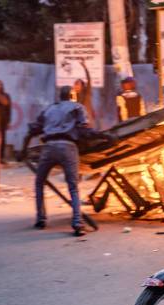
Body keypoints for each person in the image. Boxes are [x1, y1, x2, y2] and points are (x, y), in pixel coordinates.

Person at [35, 86, 93, 236]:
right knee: (73, 186)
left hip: (48, 147)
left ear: (60, 96)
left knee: (39, 182)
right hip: (67, 147)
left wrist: (23, 149)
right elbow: (84, 129)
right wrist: (103, 136)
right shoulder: (77, 107)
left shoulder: (49, 109)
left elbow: (35, 128)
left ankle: (41, 219)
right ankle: (77, 223)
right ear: (72, 95)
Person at [71, 58, 96, 128]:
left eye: (77, 84)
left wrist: (84, 67)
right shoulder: (75, 97)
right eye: (75, 85)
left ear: (82, 86)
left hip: (88, 121)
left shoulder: (87, 92)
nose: (75, 86)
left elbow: (89, 79)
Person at [0, 80, 12, 163]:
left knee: (2, 139)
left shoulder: (6, 95)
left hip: (3, 120)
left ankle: (1, 158)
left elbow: (9, 109)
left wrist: (8, 121)